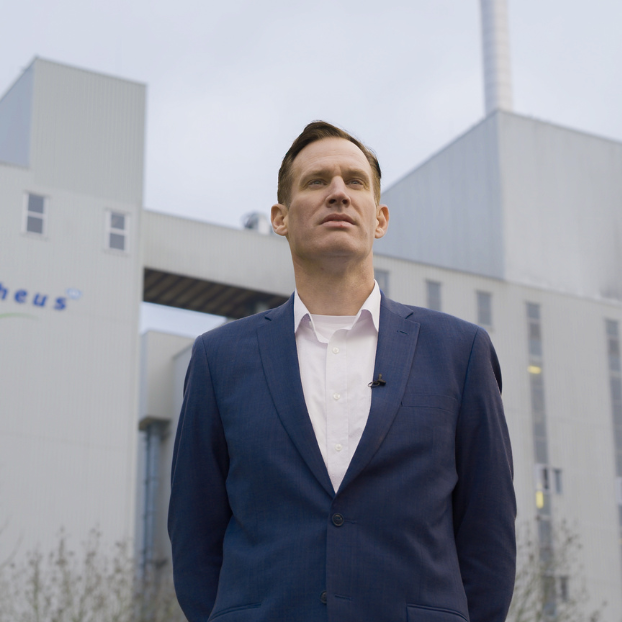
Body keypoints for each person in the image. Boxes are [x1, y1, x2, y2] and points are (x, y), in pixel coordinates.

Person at [168, 121, 516, 622]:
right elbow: (193, 537)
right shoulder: (218, 359)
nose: (338, 193)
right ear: (280, 218)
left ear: (380, 218)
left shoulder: (460, 352)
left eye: (354, 181)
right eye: (316, 181)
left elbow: (489, 536)